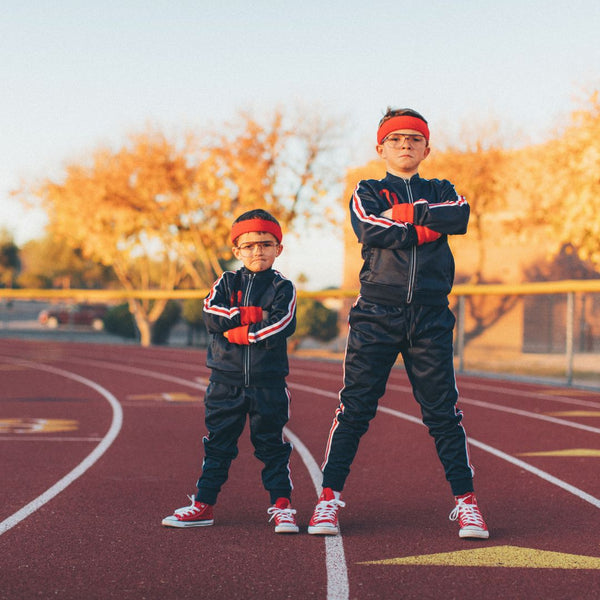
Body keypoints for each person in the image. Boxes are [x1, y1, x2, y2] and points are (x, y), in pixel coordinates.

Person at [307, 108, 489, 540]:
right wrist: (425, 227)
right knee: (354, 410)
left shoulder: (443, 189)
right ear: (380, 147)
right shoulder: (368, 190)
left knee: (443, 413)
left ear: (428, 147)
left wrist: (405, 214)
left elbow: (459, 217)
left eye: (414, 138)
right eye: (396, 139)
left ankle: (467, 504)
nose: (405, 144)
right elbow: (370, 229)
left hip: (430, 314)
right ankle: (328, 500)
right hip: (376, 313)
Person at [162, 209, 299, 533]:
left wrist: (242, 332)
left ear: (278, 248)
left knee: (272, 448)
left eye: (266, 244)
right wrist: (253, 314)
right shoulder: (226, 281)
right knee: (218, 446)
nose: (257, 251)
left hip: (268, 383)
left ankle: (282, 507)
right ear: (236, 251)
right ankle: (203, 504)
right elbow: (211, 315)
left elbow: (280, 324)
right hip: (225, 381)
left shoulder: (284, 287)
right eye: (249, 246)